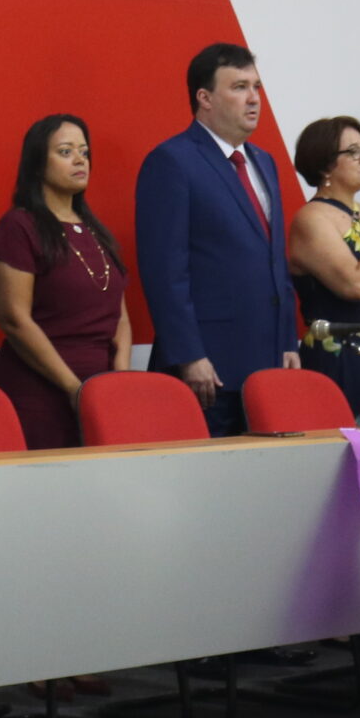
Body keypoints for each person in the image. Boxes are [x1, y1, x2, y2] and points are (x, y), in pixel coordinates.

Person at [135, 44, 300, 435]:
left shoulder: (265, 162)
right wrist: (189, 354)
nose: (254, 98)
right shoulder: (172, 161)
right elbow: (165, 272)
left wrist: (288, 341)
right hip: (208, 369)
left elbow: (274, 261)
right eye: (239, 87)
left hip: (269, 363)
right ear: (204, 98)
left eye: (256, 87)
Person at [0, 114, 132, 449]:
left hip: (100, 397)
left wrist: (118, 379)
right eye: (66, 152)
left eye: (84, 152)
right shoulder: (19, 227)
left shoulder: (95, 231)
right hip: (38, 397)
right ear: (37, 164)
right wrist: (74, 389)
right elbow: (14, 320)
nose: (80, 160)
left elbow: (119, 316)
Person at [285, 115, 360, 424]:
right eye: (353, 152)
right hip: (344, 358)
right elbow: (356, 285)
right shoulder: (313, 219)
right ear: (325, 165)